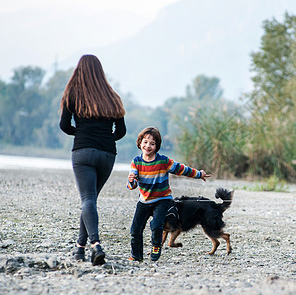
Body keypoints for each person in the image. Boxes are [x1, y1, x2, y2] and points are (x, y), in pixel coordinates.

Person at [59, 54, 126, 266]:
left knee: (88, 199)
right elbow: (121, 131)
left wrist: (80, 134)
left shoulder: (72, 94)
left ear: (79, 70)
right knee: (91, 200)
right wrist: (105, 139)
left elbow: (64, 125)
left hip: (83, 152)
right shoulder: (112, 96)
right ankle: (79, 248)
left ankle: (95, 244)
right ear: (100, 71)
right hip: (107, 154)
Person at [127, 126, 211, 262]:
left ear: (157, 146)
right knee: (135, 229)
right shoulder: (136, 162)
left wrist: (199, 174)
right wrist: (131, 181)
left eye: (152, 143)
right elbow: (132, 184)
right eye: (145, 142)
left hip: (162, 199)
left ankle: (156, 246)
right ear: (140, 143)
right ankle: (136, 255)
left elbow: (181, 169)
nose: (148, 146)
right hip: (144, 200)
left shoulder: (163, 161)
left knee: (156, 225)